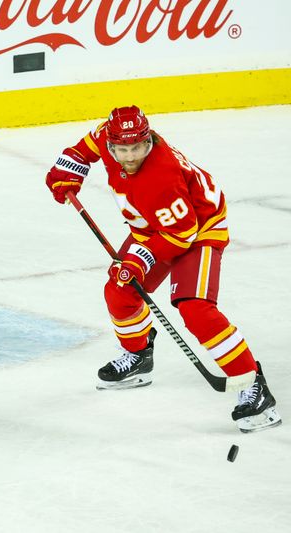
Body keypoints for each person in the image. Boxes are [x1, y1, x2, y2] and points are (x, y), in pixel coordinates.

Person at [45, 105, 281, 433]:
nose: (130, 156)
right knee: (119, 289)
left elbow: (180, 234)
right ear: (112, 144)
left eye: (138, 148)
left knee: (195, 309)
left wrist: (139, 261)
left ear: (149, 141)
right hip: (155, 227)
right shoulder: (110, 137)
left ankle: (252, 386)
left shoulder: (161, 176)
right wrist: (68, 169)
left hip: (198, 230)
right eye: (123, 149)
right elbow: (85, 149)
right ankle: (138, 355)